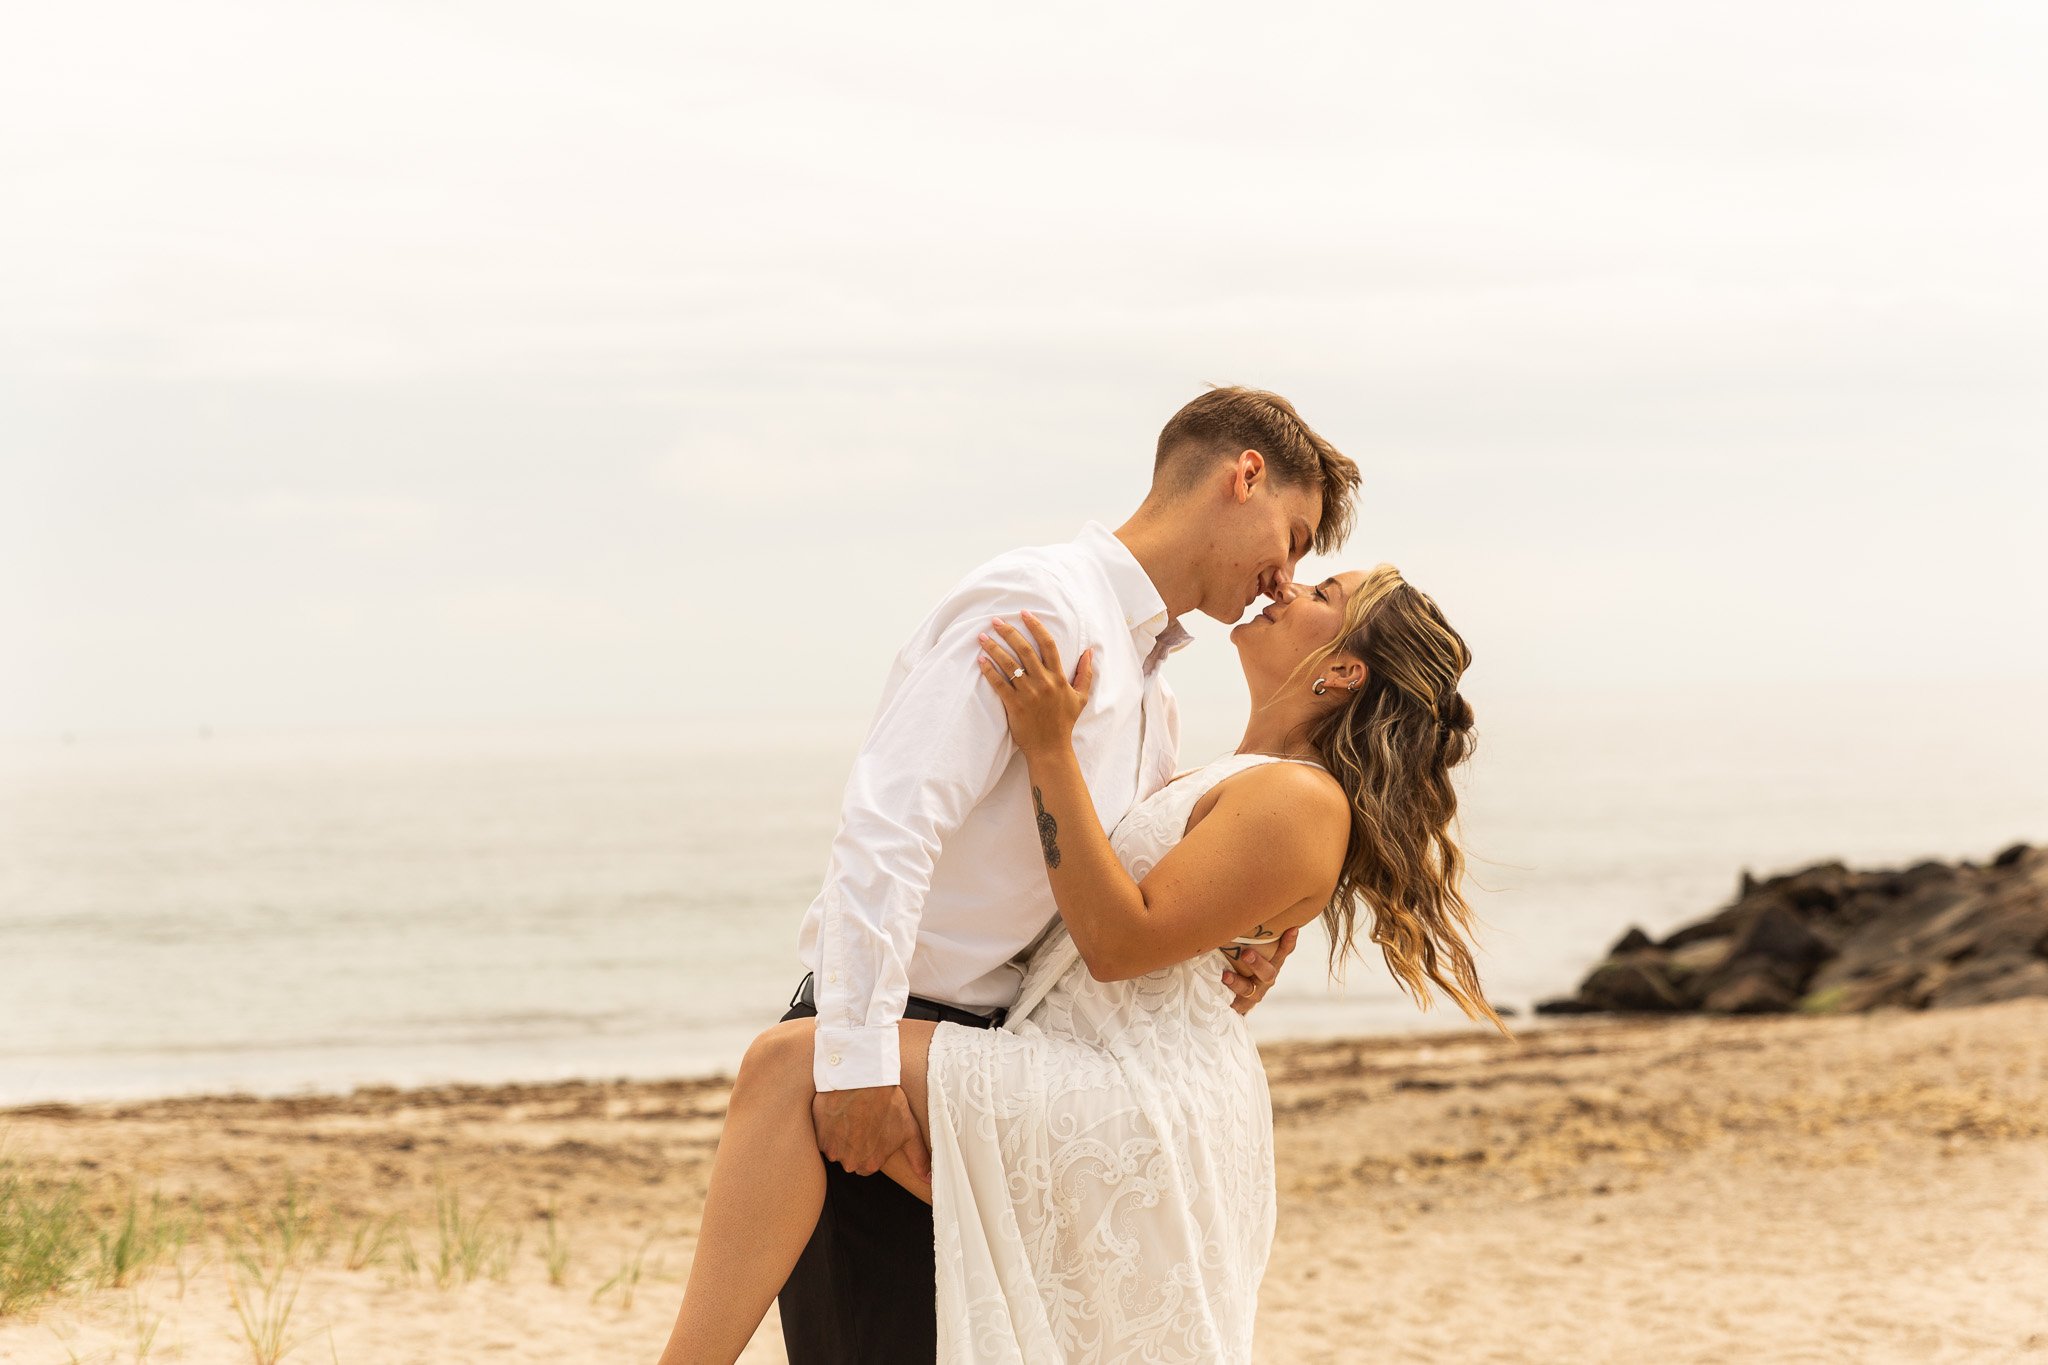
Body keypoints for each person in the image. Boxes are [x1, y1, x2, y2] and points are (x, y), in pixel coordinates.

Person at [654, 544, 1513, 1363]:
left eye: (1323, 594)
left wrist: (1048, 746)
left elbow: (1117, 940)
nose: (1288, 586)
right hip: (1092, 1064)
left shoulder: (1300, 796)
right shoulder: (1235, 772)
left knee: (791, 1066)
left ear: (1342, 671)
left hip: (1135, 1095)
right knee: (853, 1130)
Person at [721, 384, 1358, 1363]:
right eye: (1295, 532)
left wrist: (1253, 935)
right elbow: (889, 827)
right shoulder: (1038, 603)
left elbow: (1114, 895)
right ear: (1243, 476)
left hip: (992, 1084)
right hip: (888, 1050)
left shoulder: (1154, 695)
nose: (1287, 574)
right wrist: (851, 1063)